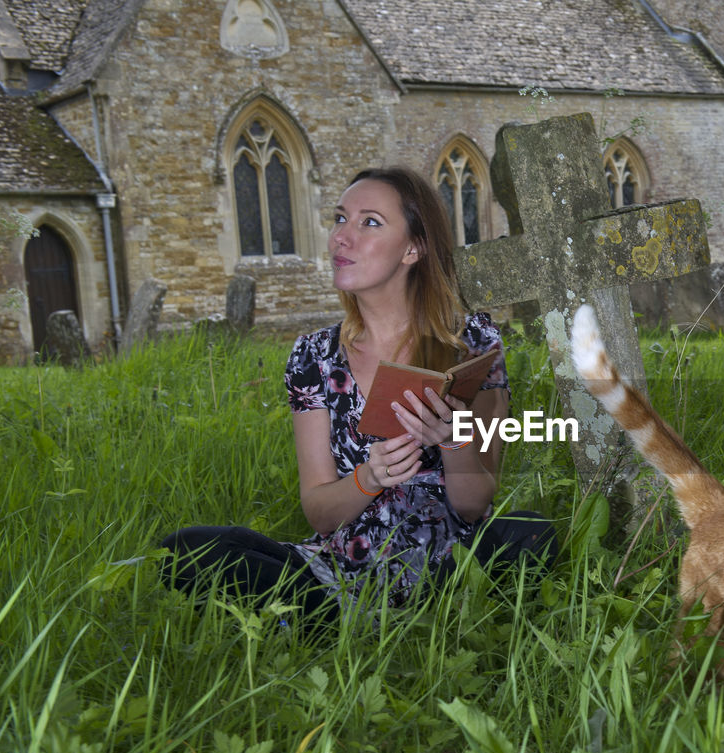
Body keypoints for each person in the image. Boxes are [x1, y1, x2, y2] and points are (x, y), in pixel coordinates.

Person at [161, 166, 556, 627]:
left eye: (369, 222)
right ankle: (351, 617)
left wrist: (453, 439)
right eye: (339, 219)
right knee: (185, 550)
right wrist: (370, 477)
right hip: (339, 570)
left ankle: (395, 619)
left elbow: (473, 503)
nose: (340, 238)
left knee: (529, 533)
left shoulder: (473, 342)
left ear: (414, 247)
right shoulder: (314, 356)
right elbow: (320, 511)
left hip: (451, 564)